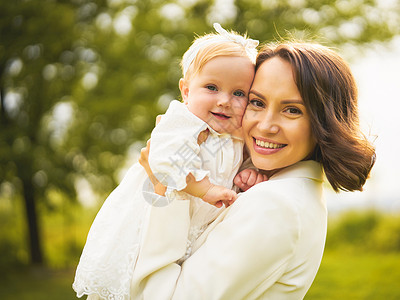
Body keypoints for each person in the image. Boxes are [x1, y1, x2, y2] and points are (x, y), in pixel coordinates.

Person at [132, 41, 376, 299]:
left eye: (292, 110)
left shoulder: (275, 205)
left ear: (323, 123)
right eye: (257, 103)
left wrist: (165, 187)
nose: (265, 125)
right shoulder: (279, 189)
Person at [73, 23, 267, 300]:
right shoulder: (182, 122)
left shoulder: (236, 135)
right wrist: (206, 190)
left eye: (239, 93)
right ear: (186, 91)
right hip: (148, 225)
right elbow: (163, 162)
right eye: (211, 87)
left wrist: (249, 172)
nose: (225, 101)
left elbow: (240, 164)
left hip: (190, 235)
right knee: (130, 284)